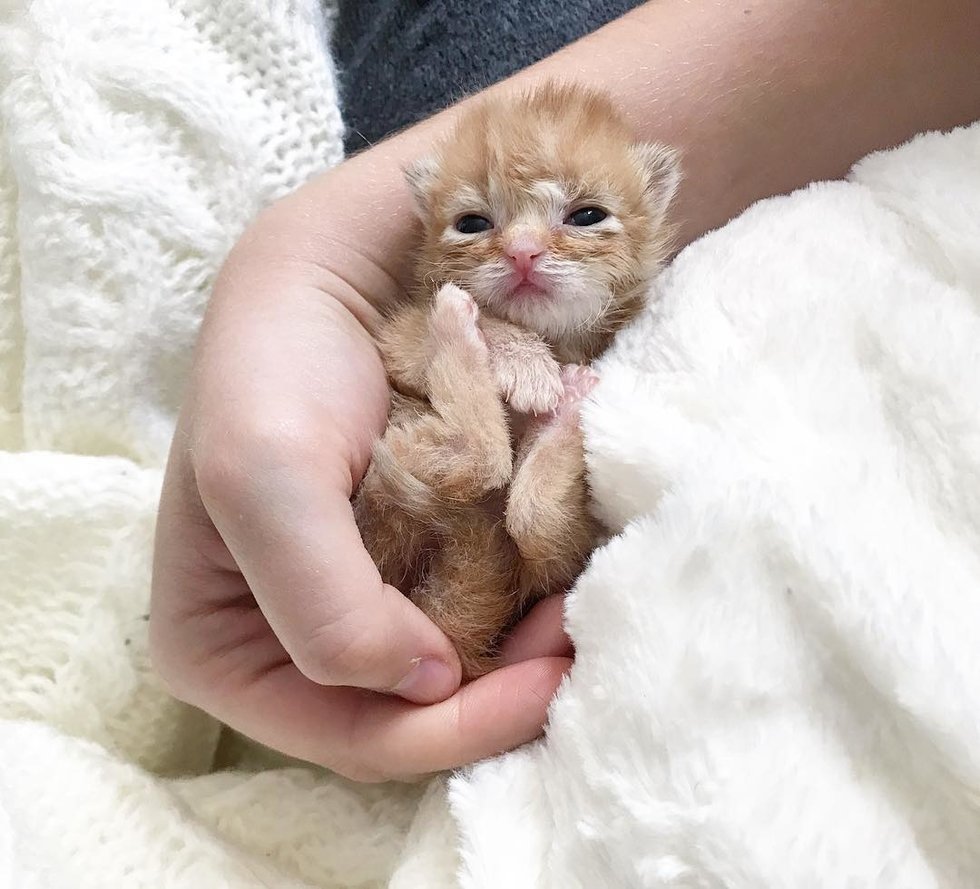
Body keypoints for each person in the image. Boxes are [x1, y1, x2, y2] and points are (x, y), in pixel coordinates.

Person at [149, 0, 980, 782]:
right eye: (472, 223)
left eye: (583, 218)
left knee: (539, 522)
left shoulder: (663, 321)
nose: (519, 248)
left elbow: (548, 545)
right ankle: (474, 442)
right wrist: (335, 272)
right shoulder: (441, 313)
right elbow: (404, 345)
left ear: (654, 209)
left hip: (495, 569)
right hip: (419, 539)